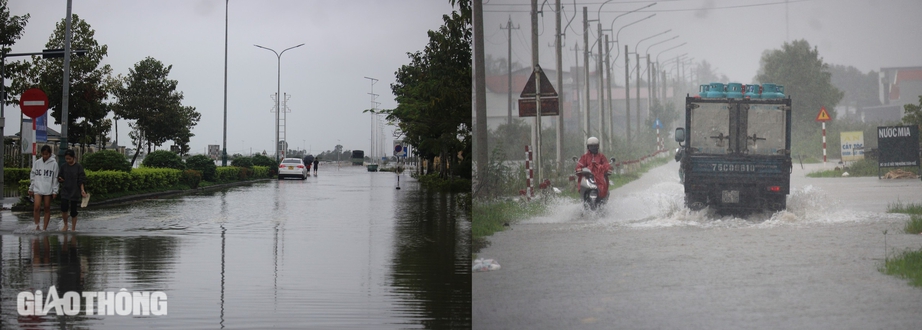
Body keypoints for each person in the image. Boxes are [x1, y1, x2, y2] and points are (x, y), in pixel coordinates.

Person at [29, 145, 58, 231]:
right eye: (43, 154)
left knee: (46, 207)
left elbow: (55, 178)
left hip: (48, 189)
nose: (45, 156)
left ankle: (44, 228)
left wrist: (55, 190)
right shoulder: (37, 163)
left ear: (49, 154)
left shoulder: (54, 164)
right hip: (38, 188)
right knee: (37, 207)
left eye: (46, 154)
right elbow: (33, 175)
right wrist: (31, 188)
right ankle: (37, 226)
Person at [58, 149, 88, 232]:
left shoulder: (78, 167)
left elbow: (81, 180)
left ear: (73, 157)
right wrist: (60, 179)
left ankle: (73, 228)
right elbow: (60, 177)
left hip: (75, 190)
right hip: (65, 190)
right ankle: (65, 225)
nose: (68, 160)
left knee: (73, 211)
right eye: (66, 159)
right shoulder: (63, 167)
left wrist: (82, 190)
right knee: (64, 208)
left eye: (69, 159)